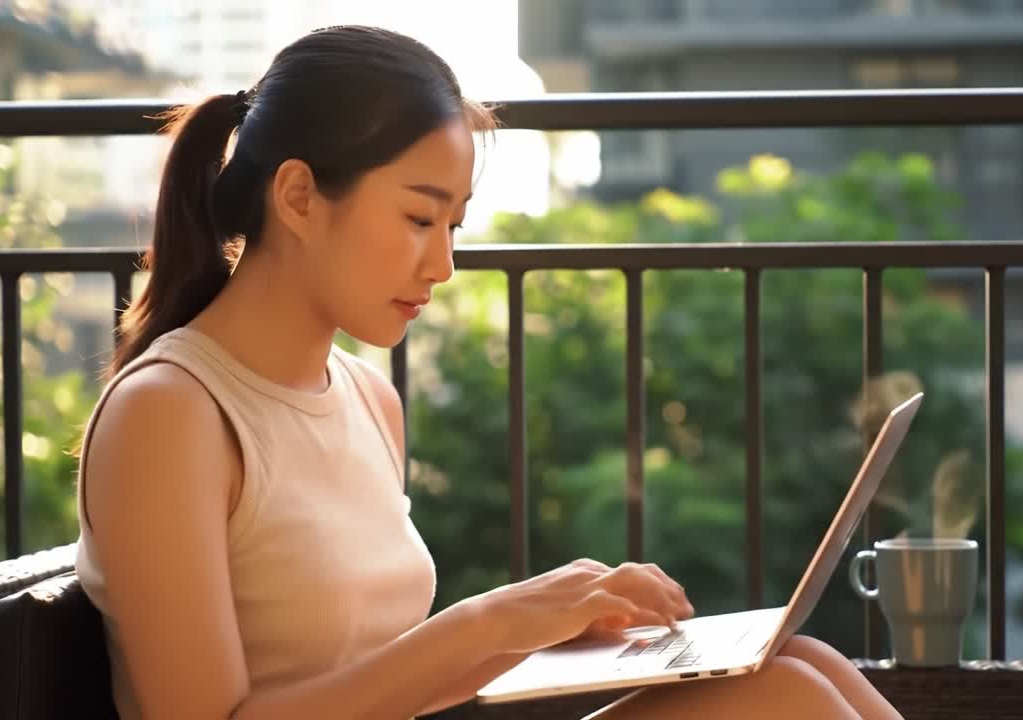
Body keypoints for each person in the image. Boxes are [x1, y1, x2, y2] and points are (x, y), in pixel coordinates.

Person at [74, 24, 905, 720]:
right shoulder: (170, 414)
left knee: (798, 664)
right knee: (789, 696)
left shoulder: (367, 398)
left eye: (454, 226)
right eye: (418, 218)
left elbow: (378, 684)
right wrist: (488, 624)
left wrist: (552, 630)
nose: (442, 264)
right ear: (297, 197)